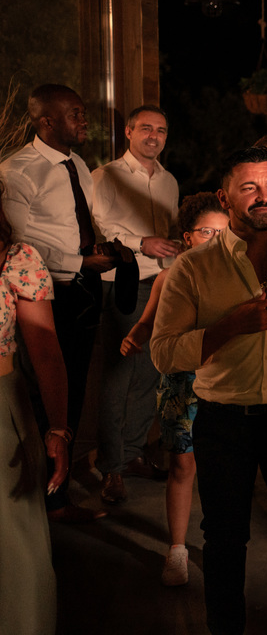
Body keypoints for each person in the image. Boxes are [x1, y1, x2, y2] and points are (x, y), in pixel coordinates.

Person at [150, 146, 267, 635]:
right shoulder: (193, 268)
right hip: (223, 420)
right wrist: (227, 327)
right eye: (249, 188)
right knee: (223, 540)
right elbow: (163, 353)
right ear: (224, 197)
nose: (264, 197)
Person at [0, 83, 115, 522]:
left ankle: (58, 498)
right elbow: (17, 241)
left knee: (73, 388)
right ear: (46, 121)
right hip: (43, 294)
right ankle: (35, 503)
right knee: (39, 392)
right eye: (75, 114)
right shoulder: (18, 170)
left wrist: (101, 253)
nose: (84, 121)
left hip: (84, 289)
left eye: (83, 112)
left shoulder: (79, 165)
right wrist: (78, 261)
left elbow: (76, 224)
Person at [120, 192, 228, 586]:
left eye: (223, 232)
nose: (215, 239)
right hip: (182, 382)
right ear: (187, 237)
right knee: (182, 465)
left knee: (221, 467)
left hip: (225, 382)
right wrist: (133, 336)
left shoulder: (236, 277)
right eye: (206, 232)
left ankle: (221, 545)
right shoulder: (170, 277)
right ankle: (177, 548)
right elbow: (149, 321)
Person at [91, 104, 179, 505]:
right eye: (146, 128)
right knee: (119, 375)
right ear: (128, 132)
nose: (153, 136)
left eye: (160, 130)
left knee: (150, 373)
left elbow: (171, 228)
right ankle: (111, 467)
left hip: (162, 283)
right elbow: (100, 225)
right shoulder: (106, 175)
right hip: (124, 282)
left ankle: (132, 454)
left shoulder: (169, 181)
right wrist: (141, 242)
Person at [0, 188, 71, 635]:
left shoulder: (16, 260)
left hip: (2, 417)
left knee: (14, 552)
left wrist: (59, 430)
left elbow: (45, 353)